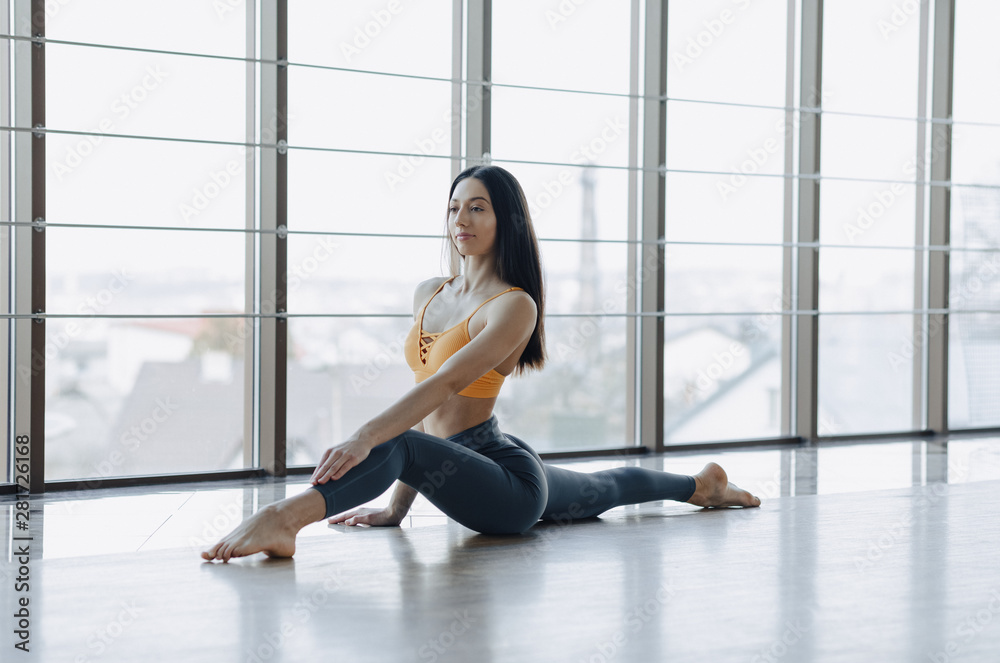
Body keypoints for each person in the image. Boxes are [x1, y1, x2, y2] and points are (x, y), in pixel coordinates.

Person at [201, 165, 760, 563]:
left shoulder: (515, 305)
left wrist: (363, 438)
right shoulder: (429, 291)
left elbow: (444, 386)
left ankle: (286, 519)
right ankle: (703, 485)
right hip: (485, 461)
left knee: (395, 445)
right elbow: (425, 423)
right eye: (453, 207)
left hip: (508, 486)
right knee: (607, 486)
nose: (460, 218)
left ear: (505, 221)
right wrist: (396, 511)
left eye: (477, 207)